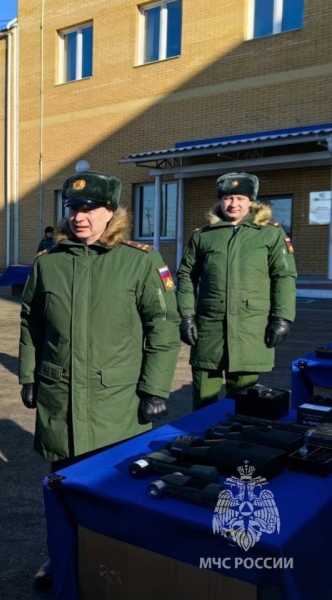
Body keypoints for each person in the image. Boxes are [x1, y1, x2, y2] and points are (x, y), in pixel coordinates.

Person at [18, 171, 180, 590]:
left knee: (116, 491)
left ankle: (115, 560)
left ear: (112, 211)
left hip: (117, 404)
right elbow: (31, 323)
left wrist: (155, 389)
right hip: (61, 401)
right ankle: (61, 555)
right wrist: (28, 374)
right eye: (73, 208)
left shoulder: (140, 261)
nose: (80, 217)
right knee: (62, 487)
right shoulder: (48, 264)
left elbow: (163, 327)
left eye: (90, 208)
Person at [176, 172, 297, 410]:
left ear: (251, 200)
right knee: (203, 400)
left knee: (244, 399)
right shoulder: (203, 236)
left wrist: (282, 317)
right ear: (220, 200)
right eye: (228, 198)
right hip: (209, 330)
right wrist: (187, 316)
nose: (233, 204)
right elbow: (186, 276)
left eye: (240, 198)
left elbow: (283, 276)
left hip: (250, 329)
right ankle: (199, 442)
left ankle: (235, 444)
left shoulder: (271, 234)